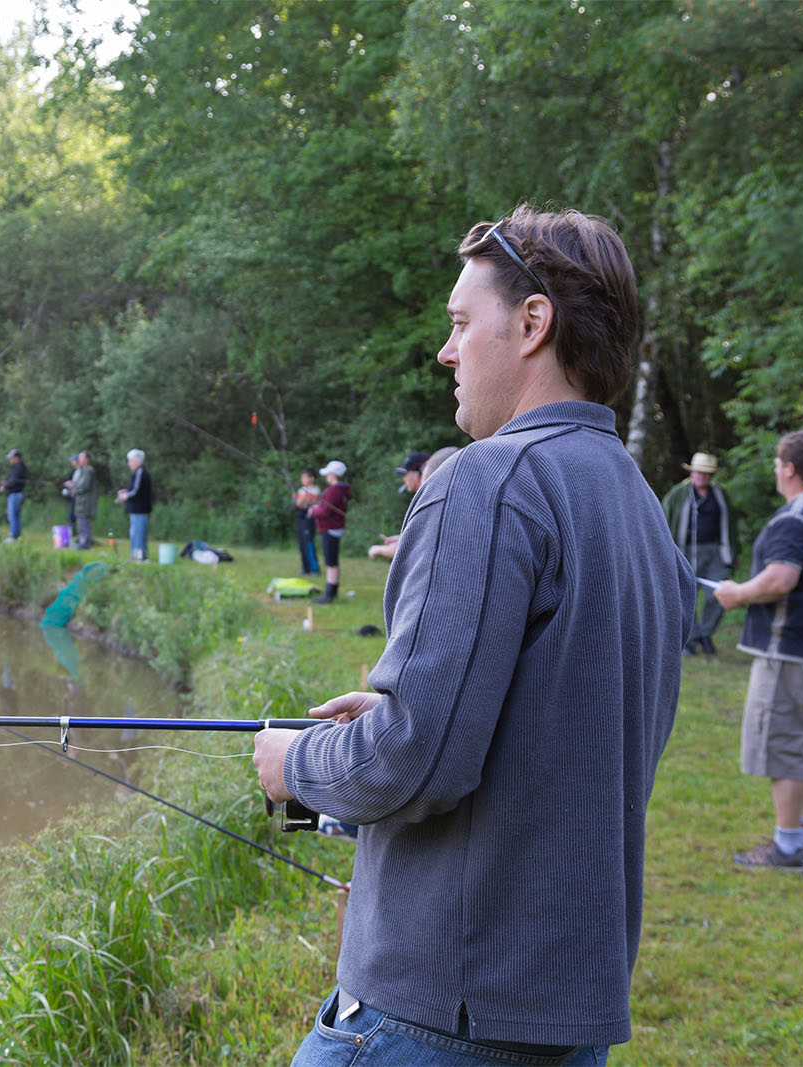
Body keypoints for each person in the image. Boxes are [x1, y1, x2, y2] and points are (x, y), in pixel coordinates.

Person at [252, 205, 692, 1063]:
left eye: (460, 323)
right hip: (563, 1018)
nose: (446, 351)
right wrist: (388, 723)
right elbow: (553, 729)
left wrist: (295, 765)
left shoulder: (486, 480)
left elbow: (415, 760)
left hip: (430, 1018)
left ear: (533, 323)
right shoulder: (637, 501)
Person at [714, 431, 803, 873]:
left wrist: (736, 593)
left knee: (784, 746)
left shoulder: (795, 518)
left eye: (778, 462)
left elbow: (780, 579)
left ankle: (787, 848)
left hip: (789, 651)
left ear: (790, 468)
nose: (776, 469)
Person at [662, 451, 742, 654]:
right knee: (684, 596)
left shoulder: (720, 494)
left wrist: (735, 553)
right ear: (692, 472)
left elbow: (731, 526)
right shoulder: (678, 494)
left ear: (712, 475)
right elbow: (663, 521)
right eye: (698, 472)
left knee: (718, 593)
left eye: (706, 473)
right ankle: (690, 640)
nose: (702, 476)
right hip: (684, 550)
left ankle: (705, 633)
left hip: (716, 551)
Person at [367, 452, 430, 561]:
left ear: (417, 475)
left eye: (406, 474)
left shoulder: (426, 501)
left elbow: (413, 545)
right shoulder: (429, 497)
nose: (403, 479)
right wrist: (401, 538)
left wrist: (378, 550)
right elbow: (420, 537)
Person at [308, 460, 351, 602]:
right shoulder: (340, 489)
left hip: (331, 528)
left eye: (328, 473)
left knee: (331, 563)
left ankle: (329, 594)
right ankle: (331, 592)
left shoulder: (333, 490)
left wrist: (313, 510)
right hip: (334, 528)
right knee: (332, 561)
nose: (326, 476)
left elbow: (326, 511)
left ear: (333, 475)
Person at [115, 449, 152, 560]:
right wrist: (126, 491)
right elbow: (136, 489)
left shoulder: (140, 472)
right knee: (136, 534)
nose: (128, 463)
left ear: (137, 461)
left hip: (139, 509)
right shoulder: (138, 472)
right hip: (137, 509)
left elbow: (136, 491)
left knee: (138, 535)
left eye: (130, 461)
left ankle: (138, 558)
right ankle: (139, 557)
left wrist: (125, 496)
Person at [293, 469, 322, 575]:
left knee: (308, 542)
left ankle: (314, 569)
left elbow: (313, 502)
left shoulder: (316, 490)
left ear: (312, 478)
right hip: (300, 518)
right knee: (301, 543)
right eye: (302, 477)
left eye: (305, 477)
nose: (303, 480)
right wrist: (299, 501)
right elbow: (297, 503)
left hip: (309, 519)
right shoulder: (301, 490)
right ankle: (305, 568)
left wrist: (303, 502)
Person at [68, 451, 98, 549]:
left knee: (84, 522)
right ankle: (84, 541)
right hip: (81, 501)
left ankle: (85, 543)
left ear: (87, 459)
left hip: (86, 502)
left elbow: (84, 486)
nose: (79, 460)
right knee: (81, 522)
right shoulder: (82, 470)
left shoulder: (88, 470)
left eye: (81, 458)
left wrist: (72, 487)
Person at [0, 449, 28, 541]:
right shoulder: (20, 467)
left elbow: (14, 482)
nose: (10, 460)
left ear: (16, 458)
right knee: (16, 516)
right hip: (17, 494)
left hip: (15, 494)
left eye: (11, 458)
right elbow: (13, 481)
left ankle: (13, 536)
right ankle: (17, 535)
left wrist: (5, 485)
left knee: (13, 516)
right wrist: (5, 483)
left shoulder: (18, 468)